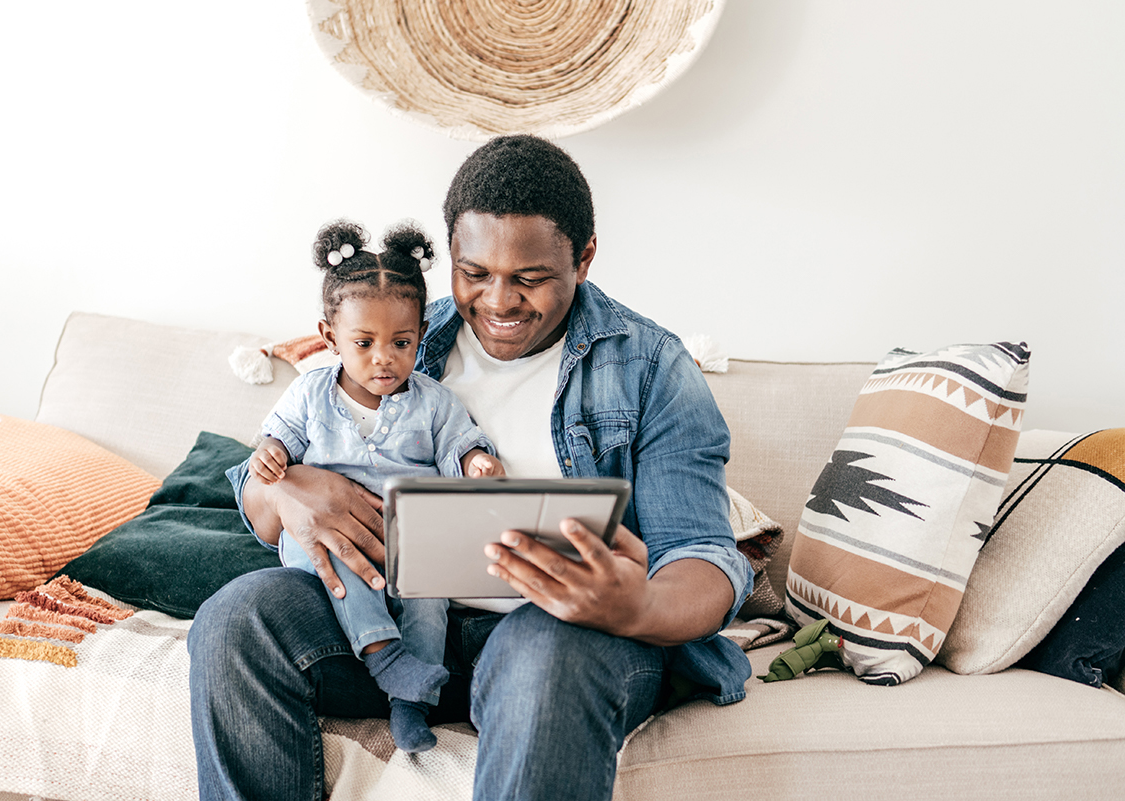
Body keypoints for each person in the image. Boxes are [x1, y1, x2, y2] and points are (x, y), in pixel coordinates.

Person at [189, 134, 754, 801]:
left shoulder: (651, 368)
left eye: (530, 278)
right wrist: (286, 491)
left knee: (543, 656)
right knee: (234, 619)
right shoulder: (397, 335)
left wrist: (641, 604)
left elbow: (706, 558)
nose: (498, 301)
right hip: (395, 622)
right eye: (474, 272)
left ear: (586, 257)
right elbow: (261, 502)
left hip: (558, 636)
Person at [239, 219, 504, 753]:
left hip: (407, 537)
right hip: (324, 538)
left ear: (420, 336)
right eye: (364, 343)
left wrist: (476, 461)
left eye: (401, 342)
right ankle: (386, 659)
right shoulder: (310, 395)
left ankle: (411, 704)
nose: (384, 357)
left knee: (429, 598)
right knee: (340, 564)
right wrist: (270, 456)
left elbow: (460, 443)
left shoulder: (432, 401)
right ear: (329, 336)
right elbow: (276, 441)